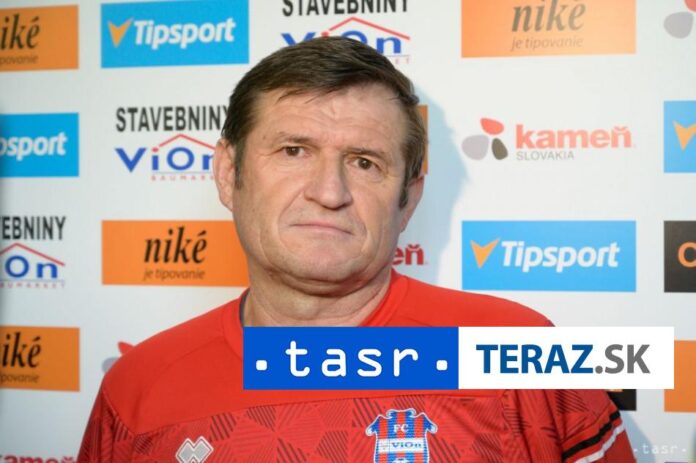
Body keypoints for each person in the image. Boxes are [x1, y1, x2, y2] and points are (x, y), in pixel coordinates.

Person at [78, 37, 634, 462]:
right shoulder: (139, 387)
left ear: (408, 198)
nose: (329, 192)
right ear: (229, 173)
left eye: (365, 162)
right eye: (294, 151)